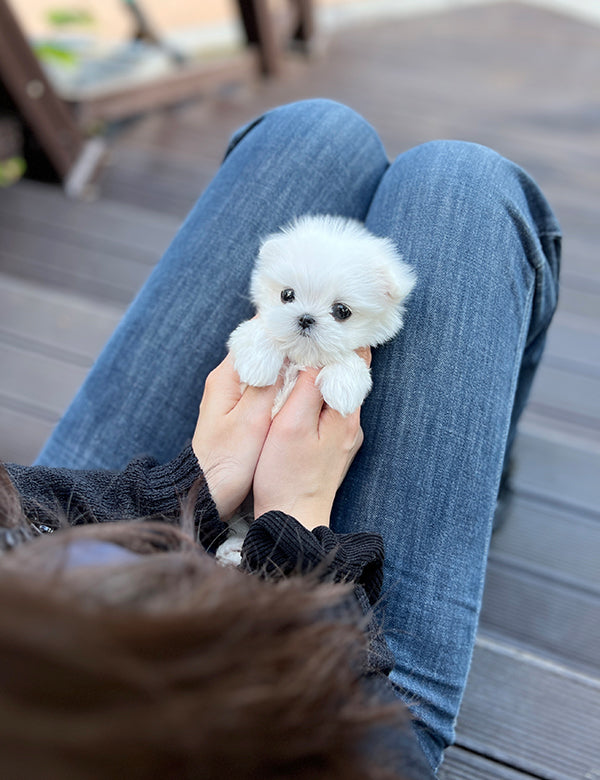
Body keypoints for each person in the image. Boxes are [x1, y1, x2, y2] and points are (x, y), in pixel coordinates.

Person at [0, 99, 560, 777]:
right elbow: (378, 761)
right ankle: (486, 484)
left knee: (317, 131)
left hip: (54, 549)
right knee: (465, 188)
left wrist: (189, 485)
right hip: (322, 692)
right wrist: (295, 524)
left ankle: (483, 481)